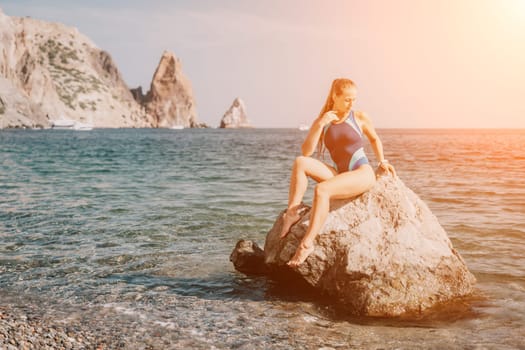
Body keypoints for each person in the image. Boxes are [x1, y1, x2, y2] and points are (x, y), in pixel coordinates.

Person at [281, 78, 396, 267]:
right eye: (347, 99)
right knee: (300, 162)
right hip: (341, 175)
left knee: (322, 190)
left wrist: (383, 161)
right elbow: (306, 152)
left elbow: (374, 139)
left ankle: (306, 244)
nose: (351, 103)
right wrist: (320, 123)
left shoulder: (359, 117)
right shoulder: (324, 121)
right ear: (335, 96)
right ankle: (292, 212)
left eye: (354, 99)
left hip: (362, 172)